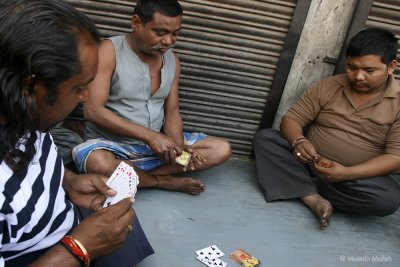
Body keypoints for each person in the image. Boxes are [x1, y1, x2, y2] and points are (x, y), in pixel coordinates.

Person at [0, 1, 153, 266]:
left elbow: (33, 162)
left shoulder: (24, 113)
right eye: (80, 87)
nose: (86, 98)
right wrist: (78, 249)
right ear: (31, 86)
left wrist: (67, 182)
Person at [71, 0, 232, 195]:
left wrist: (179, 148)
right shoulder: (109, 50)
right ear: (136, 23)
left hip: (158, 152)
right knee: (96, 160)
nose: (169, 41)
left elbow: (171, 112)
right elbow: (93, 111)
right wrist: (150, 136)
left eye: (175, 33)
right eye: (160, 32)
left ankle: (132, 175)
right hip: (114, 148)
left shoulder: (173, 60)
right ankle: (160, 181)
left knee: (219, 149)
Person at [253, 28, 400, 230]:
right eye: (351, 67)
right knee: (267, 139)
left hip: (356, 178)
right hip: (309, 162)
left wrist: (347, 173)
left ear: (391, 67)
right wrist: (299, 141)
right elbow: (291, 119)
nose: (358, 76)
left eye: (369, 70)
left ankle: (299, 186)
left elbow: (395, 158)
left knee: (387, 200)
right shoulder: (328, 86)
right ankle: (312, 198)